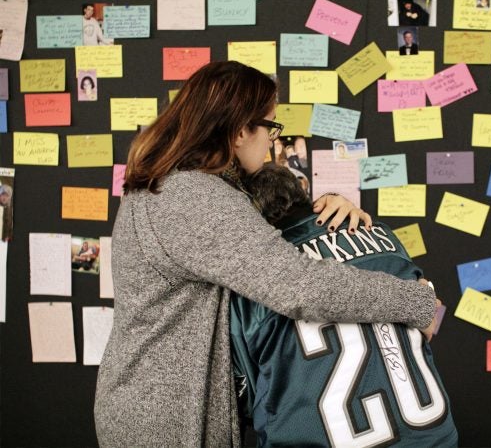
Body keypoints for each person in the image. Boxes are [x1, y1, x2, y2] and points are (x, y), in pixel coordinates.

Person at [93, 61, 439, 447]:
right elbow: (299, 287)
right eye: (271, 126)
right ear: (240, 130)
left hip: (154, 406)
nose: (274, 141)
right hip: (165, 422)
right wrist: (416, 301)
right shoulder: (191, 197)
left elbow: (257, 232)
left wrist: (323, 209)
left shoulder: (176, 187)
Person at [233, 164, 458, 447]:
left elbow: (245, 399)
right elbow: (432, 317)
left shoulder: (247, 277)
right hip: (433, 436)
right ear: (303, 192)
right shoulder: (380, 233)